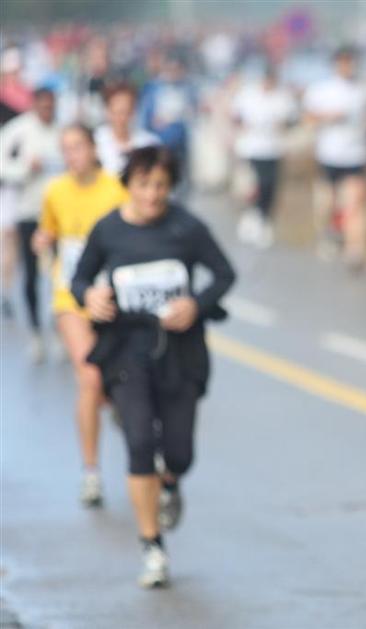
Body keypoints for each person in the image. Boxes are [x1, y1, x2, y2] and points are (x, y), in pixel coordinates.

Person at [71, 146, 236, 588]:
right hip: (127, 349)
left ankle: (171, 480)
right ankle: (152, 547)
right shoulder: (108, 230)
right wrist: (90, 296)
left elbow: (224, 274)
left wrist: (195, 305)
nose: (152, 195)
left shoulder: (186, 228)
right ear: (129, 184)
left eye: (161, 186)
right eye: (144, 185)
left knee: (179, 452)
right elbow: (80, 278)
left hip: (180, 352)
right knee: (140, 442)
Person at [32, 125, 128, 507]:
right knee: (89, 376)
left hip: (111, 296)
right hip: (70, 296)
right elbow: (48, 231)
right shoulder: (55, 190)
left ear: (93, 148)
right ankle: (91, 472)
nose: (73, 155)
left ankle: (118, 406)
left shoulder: (115, 190)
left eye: (78, 147)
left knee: (116, 379)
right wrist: (43, 240)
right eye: (66, 149)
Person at [0, 88, 63, 360]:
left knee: (60, 273)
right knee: (32, 274)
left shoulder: (62, 130)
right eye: (43, 107)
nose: (48, 111)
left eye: (51, 107)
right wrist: (25, 168)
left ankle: (60, 329)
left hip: (60, 214)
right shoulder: (19, 130)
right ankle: (36, 332)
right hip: (30, 211)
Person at [303, 46, 366, 269]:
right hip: (329, 155)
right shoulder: (321, 90)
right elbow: (308, 119)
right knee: (327, 203)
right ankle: (328, 233)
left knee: (354, 204)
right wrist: (328, 117)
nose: (347, 66)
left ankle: (355, 251)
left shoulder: (362, 91)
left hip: (356, 156)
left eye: (350, 62)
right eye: (343, 62)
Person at [233, 63, 296, 249]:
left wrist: (282, 125)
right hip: (251, 149)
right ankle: (253, 215)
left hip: (273, 149)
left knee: (270, 186)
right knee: (254, 185)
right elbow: (236, 117)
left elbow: (292, 120)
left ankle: (263, 218)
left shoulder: (283, 98)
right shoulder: (247, 95)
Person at [140, 53, 196, 197]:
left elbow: (192, 112)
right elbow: (145, 117)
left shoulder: (187, 88)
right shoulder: (154, 88)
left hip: (180, 143)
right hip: (161, 143)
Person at [94, 83, 160, 176]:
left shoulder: (149, 144)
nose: (122, 117)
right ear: (107, 110)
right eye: (117, 111)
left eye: (127, 111)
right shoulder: (95, 141)